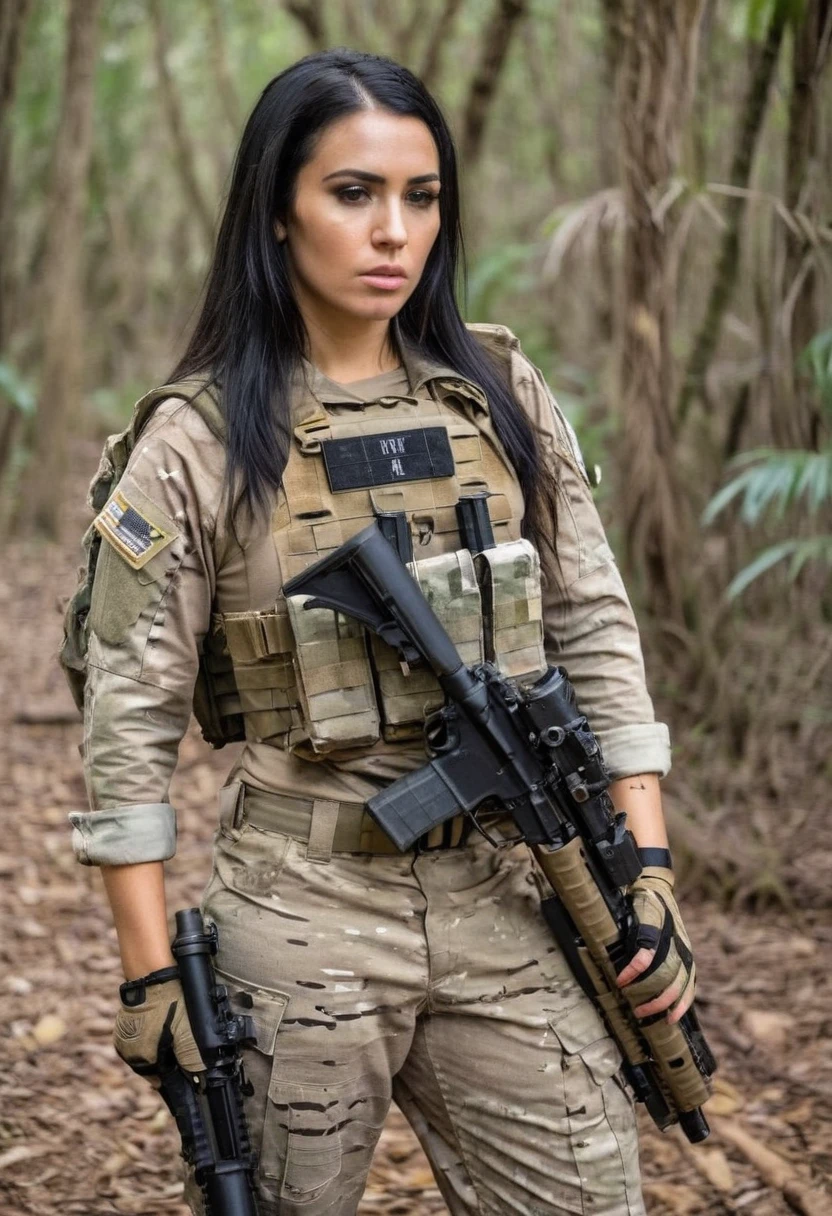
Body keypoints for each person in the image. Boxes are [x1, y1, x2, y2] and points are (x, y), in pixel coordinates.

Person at [66, 48, 696, 1216]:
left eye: (421, 196)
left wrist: (644, 871)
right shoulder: (200, 442)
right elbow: (129, 728)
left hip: (505, 893)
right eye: (352, 194)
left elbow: (595, 629)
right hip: (303, 909)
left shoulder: (498, 391)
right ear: (276, 214)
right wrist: (150, 972)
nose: (393, 231)